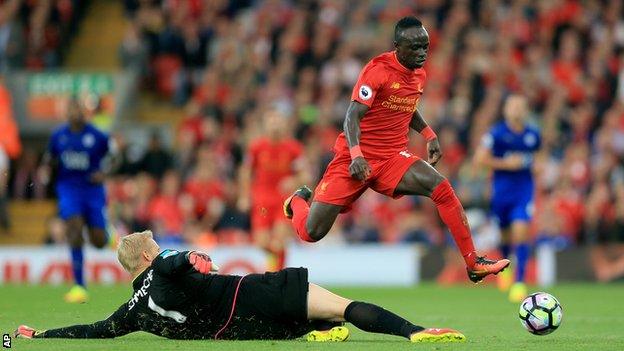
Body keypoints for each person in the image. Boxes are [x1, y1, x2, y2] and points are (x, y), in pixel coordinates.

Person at [282, 16, 509, 283]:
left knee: (441, 188)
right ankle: (297, 200)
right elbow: (351, 117)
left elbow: (405, 104)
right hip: (355, 157)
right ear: (397, 47)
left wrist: (428, 133)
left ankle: (473, 263)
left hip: (392, 158)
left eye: (425, 46)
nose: (422, 53)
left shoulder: (419, 73)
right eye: (415, 47)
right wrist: (356, 155)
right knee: (312, 232)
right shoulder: (377, 71)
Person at [15, 231, 466, 343]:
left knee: (316, 323)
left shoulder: (131, 311)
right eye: (156, 243)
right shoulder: (166, 265)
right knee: (341, 306)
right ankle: (415, 332)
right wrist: (195, 258)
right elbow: (179, 261)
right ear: (147, 255)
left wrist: (40, 336)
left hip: (244, 328)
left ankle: (313, 332)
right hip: (252, 294)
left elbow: (93, 330)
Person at [39, 98, 115, 303]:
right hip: (69, 189)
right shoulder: (58, 136)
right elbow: (49, 158)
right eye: (72, 108)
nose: (76, 112)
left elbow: (115, 158)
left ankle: (109, 235)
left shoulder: (97, 135)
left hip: (92, 190)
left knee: (98, 241)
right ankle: (79, 286)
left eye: (79, 108)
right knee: (73, 228)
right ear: (66, 112)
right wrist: (45, 169)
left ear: (85, 112)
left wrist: (104, 172)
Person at [474, 94, 541, 302]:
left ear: (526, 110)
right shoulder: (496, 133)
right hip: (502, 192)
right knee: (504, 235)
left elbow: (540, 157)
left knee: (521, 231)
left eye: (520, 106)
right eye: (513, 106)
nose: (516, 110)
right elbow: (479, 159)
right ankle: (506, 270)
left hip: (524, 191)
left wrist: (539, 166)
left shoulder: (533, 134)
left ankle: (519, 282)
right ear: (505, 110)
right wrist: (506, 164)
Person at [238, 109, 307, 271]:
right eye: (272, 121)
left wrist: (294, 179)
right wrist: (244, 196)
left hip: (283, 201)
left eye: (278, 120)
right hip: (261, 200)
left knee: (279, 241)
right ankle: (279, 270)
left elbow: (305, 174)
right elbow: (245, 171)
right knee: (261, 243)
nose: (275, 124)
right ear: (266, 124)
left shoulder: (293, 148)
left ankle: (276, 277)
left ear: (284, 124)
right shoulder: (257, 147)